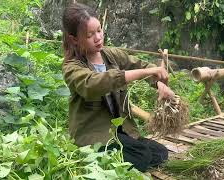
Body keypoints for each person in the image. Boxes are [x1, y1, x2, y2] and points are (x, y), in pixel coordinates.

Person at [62, 3, 175, 172]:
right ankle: (93, 159)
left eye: (99, 30)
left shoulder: (111, 55)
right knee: (141, 157)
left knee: (160, 153)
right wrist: (147, 71)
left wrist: (158, 83)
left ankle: (123, 153)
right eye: (90, 35)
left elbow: (140, 64)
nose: (98, 38)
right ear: (74, 39)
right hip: (96, 136)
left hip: (120, 131)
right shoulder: (72, 67)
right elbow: (95, 83)